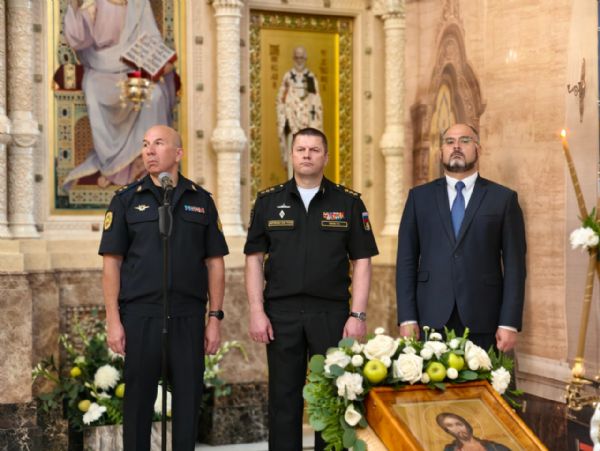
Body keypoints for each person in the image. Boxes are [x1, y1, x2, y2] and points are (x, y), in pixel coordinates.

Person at [244, 127, 378, 451]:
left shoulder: (348, 203)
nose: (307, 155)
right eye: (301, 149)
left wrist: (358, 315)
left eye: (314, 150)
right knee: (283, 398)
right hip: (281, 314)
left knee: (332, 396)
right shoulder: (268, 201)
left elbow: (362, 261)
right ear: (291, 155)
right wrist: (257, 311)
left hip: (331, 314)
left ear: (326, 157)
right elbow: (253, 259)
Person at [99, 125, 228, 450]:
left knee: (188, 401)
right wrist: (113, 320)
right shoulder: (126, 200)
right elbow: (112, 263)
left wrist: (214, 318)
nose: (149, 151)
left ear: (178, 153)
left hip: (187, 316)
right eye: (145, 145)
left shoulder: (201, 200)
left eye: (158, 143)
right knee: (137, 404)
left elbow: (215, 263)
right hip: (140, 316)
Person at [396, 123, 526, 352]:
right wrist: (407, 317)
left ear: (478, 149)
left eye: (465, 140)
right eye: (449, 142)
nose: (456, 146)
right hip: (430, 318)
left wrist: (509, 322)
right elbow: (406, 260)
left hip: (484, 318)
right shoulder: (419, 198)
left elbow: (515, 265)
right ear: (441, 152)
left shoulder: (503, 199)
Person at [63, 0, 177, 189]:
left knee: (155, 95)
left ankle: (142, 163)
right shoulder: (94, 3)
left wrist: (161, 62)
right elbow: (77, 39)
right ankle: (112, 168)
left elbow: (151, 38)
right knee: (94, 93)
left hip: (134, 68)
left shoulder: (139, 3)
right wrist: (74, 6)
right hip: (101, 70)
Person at [276, 46, 323, 174]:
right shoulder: (288, 77)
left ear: (305, 58)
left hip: (307, 123)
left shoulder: (310, 78)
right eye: (297, 57)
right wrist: (286, 113)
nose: (299, 60)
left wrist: (313, 123)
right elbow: (280, 100)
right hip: (292, 124)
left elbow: (315, 102)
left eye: (301, 57)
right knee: (294, 154)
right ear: (293, 58)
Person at [436, 412, 512, 451]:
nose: (457, 428)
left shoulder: (495, 446)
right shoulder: (450, 449)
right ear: (447, 431)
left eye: (459, 424)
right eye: (450, 426)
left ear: (466, 425)